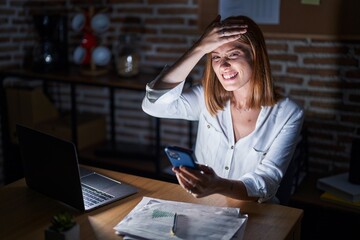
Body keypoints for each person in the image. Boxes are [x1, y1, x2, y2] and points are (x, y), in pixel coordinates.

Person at [142, 15, 304, 203]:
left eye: (233, 54)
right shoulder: (206, 97)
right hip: (201, 206)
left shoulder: (289, 113)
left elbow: (266, 182)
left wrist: (218, 185)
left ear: (255, 55)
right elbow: (152, 105)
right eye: (216, 57)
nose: (223, 65)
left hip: (255, 214)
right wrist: (200, 47)